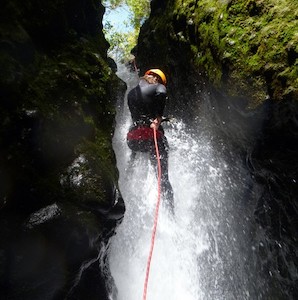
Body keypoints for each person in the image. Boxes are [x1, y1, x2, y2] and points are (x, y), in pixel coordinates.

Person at [126, 69, 174, 214]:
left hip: (133, 139)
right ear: (156, 78)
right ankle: (170, 213)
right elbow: (161, 93)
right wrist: (159, 118)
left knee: (137, 154)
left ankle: (128, 178)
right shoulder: (158, 87)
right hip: (152, 137)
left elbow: (140, 114)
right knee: (162, 178)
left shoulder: (131, 93)